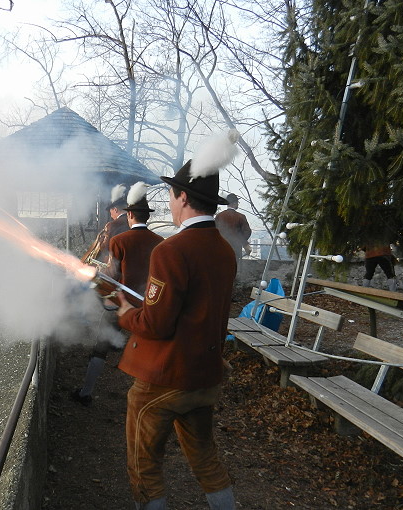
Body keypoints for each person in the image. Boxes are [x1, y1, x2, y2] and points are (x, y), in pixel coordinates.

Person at [115, 130, 239, 510]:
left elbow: (156, 325)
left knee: (144, 465)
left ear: (183, 197)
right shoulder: (224, 249)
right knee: (206, 459)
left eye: (171, 195)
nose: (169, 202)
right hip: (204, 374)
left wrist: (126, 313)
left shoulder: (172, 250)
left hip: (165, 379)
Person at [71, 182, 163, 406]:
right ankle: (148, 396)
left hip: (119, 304)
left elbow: (112, 272)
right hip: (146, 305)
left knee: (100, 347)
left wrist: (95, 269)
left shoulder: (119, 241)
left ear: (130, 214)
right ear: (147, 217)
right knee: (149, 350)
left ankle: (86, 393)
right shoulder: (160, 243)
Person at [81, 184, 131, 266]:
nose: (111, 214)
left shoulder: (112, 225)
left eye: (110, 211)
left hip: (114, 265)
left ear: (115, 209)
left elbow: (104, 248)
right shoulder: (133, 223)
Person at [215, 193, 251, 267]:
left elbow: (214, 231)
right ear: (234, 203)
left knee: (222, 268)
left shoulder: (219, 216)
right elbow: (247, 232)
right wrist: (243, 242)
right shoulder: (240, 217)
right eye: (237, 202)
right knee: (234, 268)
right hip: (235, 249)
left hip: (221, 248)